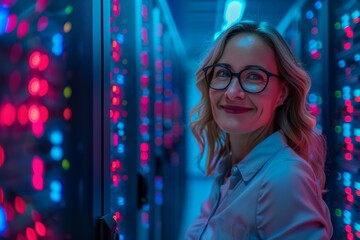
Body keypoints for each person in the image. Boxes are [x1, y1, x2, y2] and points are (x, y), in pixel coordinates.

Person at [185, 20, 333, 240]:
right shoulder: (230, 169)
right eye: (223, 73)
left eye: (254, 76)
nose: (233, 92)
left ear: (282, 94)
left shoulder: (284, 179)